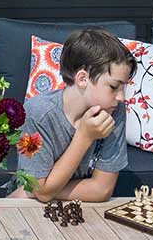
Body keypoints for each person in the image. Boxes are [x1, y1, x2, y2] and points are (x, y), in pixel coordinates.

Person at [16, 27, 135, 203]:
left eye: (123, 87)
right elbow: (40, 191)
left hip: (70, 205)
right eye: (113, 86)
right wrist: (85, 136)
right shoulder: (38, 114)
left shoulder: (114, 110)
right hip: (26, 207)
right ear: (82, 78)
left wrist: (40, 191)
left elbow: (102, 190)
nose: (121, 97)